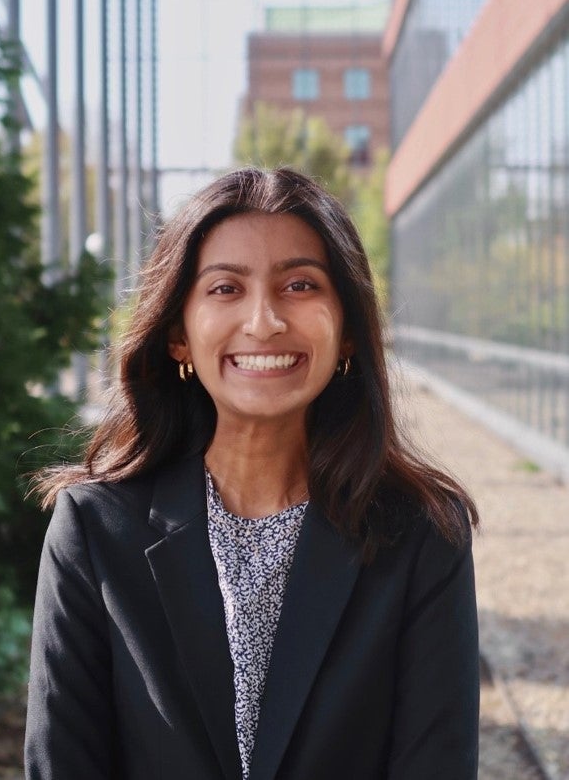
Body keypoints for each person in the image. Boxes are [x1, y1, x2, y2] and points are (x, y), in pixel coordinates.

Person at [25, 167, 480, 780]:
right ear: (178, 336)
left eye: (299, 285)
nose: (264, 320)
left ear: (346, 331)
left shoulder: (423, 535)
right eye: (224, 289)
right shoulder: (94, 532)